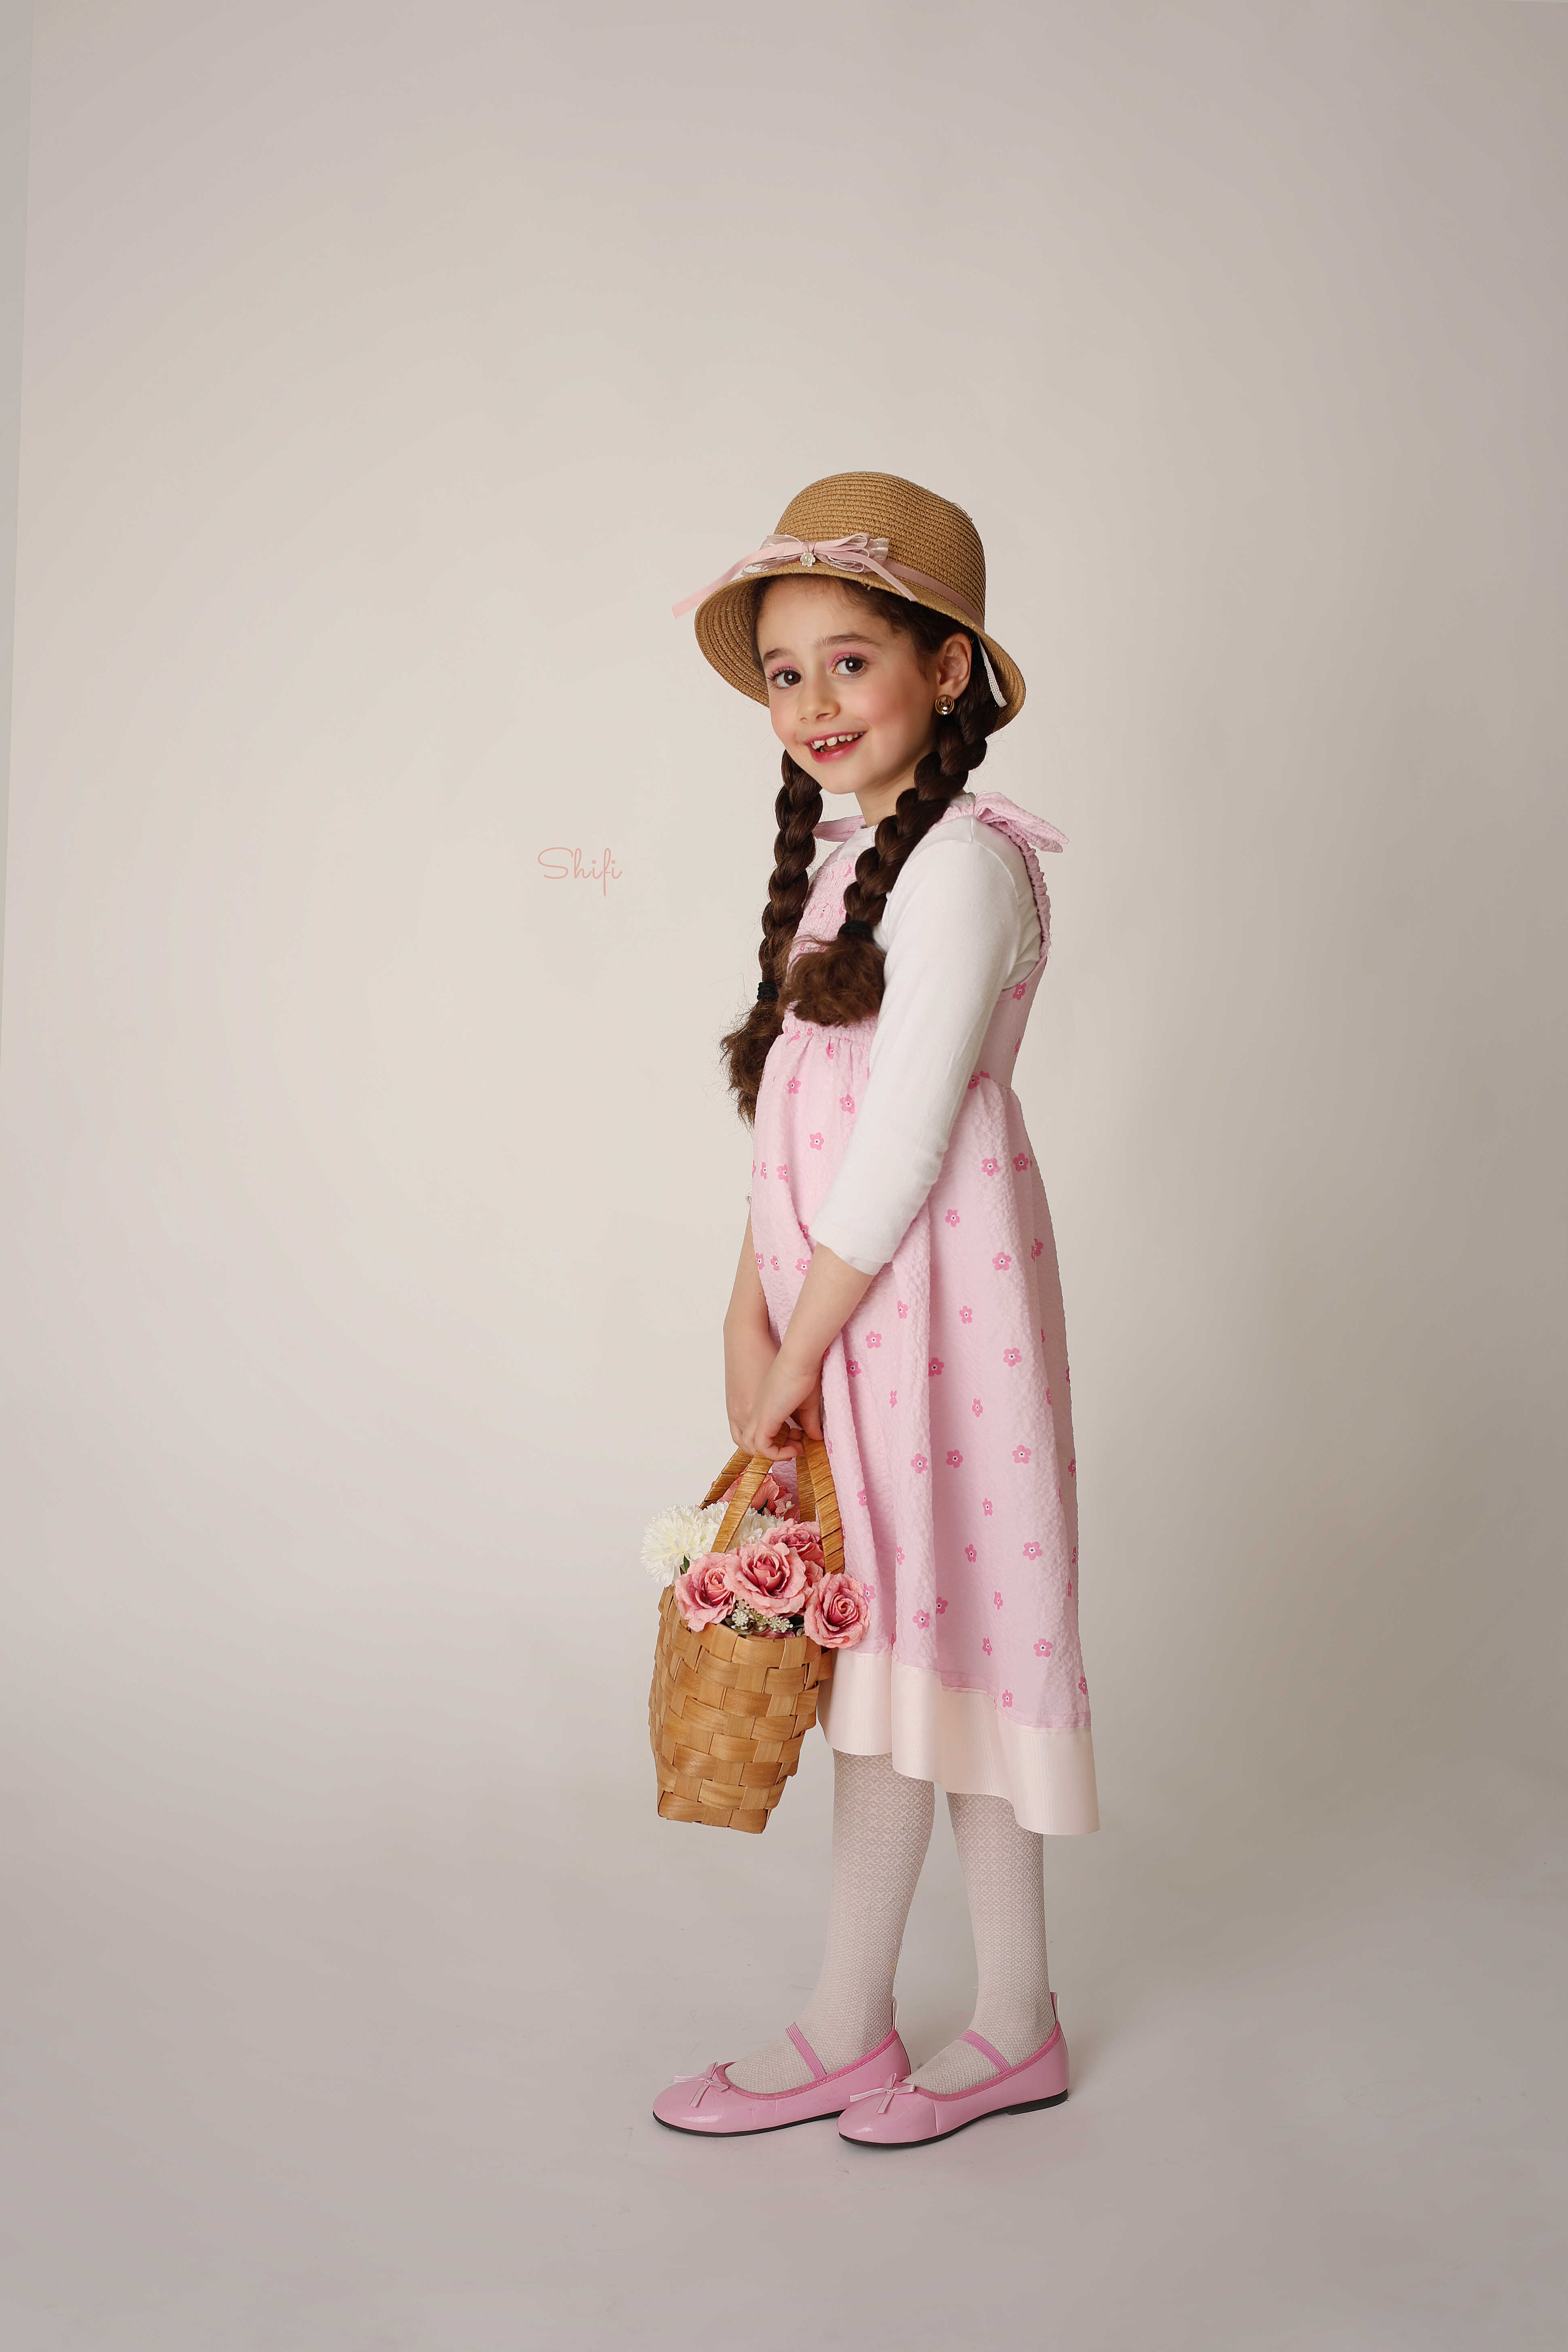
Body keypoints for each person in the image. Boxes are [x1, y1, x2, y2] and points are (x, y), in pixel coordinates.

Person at [652, 473, 1098, 2148]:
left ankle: (966, 2021)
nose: (816, 702)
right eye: (787, 672)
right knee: (901, 1654)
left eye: (852, 660)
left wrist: (798, 1341)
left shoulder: (965, 869)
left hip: (934, 1320)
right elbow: (798, 1124)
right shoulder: (846, 865)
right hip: (854, 1317)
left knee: (945, 1647)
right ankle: (908, 2021)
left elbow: (905, 1141)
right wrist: (744, 1314)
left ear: (945, 668)